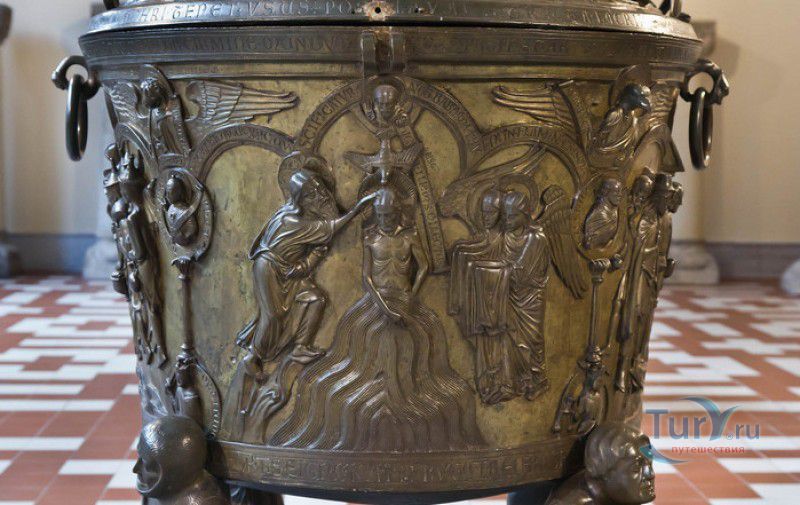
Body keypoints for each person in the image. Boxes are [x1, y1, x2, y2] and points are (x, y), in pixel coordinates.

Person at [271, 186, 484, 451]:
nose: (385, 220)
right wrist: (384, 307)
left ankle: (413, 428)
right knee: (347, 372)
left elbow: (424, 266)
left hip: (405, 301)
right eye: (381, 215)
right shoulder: (370, 237)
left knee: (426, 370)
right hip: (376, 303)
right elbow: (367, 278)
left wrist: (411, 296)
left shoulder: (409, 236)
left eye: (389, 215)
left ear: (398, 212)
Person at [546, 423, 656, 505]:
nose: (650, 474)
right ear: (604, 473)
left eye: (649, 464)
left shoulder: (618, 496)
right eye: (636, 468)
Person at [135, 416, 227, 505]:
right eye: (140, 456)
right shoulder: (160, 491)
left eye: (148, 466)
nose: (135, 469)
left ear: (174, 473)